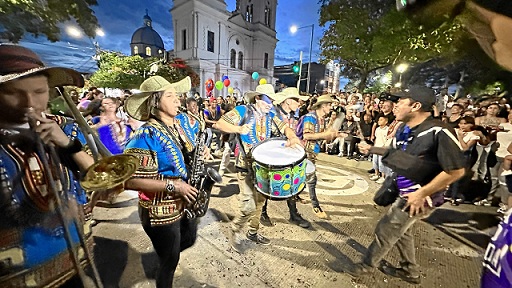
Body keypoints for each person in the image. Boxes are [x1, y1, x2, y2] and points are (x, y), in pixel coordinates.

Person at [0, 44, 96, 287]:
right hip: (18, 272)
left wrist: (66, 144)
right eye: (14, 93)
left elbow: (96, 173)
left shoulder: (66, 126)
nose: (29, 103)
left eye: (39, 91)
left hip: (77, 252)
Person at [352, 85, 465, 284]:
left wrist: (422, 193)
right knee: (402, 232)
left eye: (399, 102)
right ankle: (409, 270)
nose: (393, 106)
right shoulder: (405, 128)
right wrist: (372, 149)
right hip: (405, 190)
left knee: (386, 229)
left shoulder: (440, 131)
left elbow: (456, 171)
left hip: (422, 196)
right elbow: (396, 153)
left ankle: (366, 267)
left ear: (416, 106)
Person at [123, 76, 199, 288]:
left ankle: (165, 251)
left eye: (177, 95)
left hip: (183, 201)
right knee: (169, 262)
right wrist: (174, 186)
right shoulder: (144, 135)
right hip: (159, 209)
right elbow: (129, 181)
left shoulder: (179, 124)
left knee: (189, 239)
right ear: (155, 101)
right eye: (170, 96)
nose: (178, 101)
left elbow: (190, 150)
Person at [213, 84, 302, 252]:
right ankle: (235, 229)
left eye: (272, 100)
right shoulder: (242, 111)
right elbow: (219, 124)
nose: (270, 104)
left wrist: (292, 137)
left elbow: (285, 127)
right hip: (245, 166)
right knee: (248, 206)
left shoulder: (270, 115)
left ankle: (253, 232)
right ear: (258, 98)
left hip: (263, 168)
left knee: (260, 202)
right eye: (267, 100)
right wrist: (238, 128)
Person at [259, 87, 311, 228]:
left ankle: (293, 214)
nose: (300, 103)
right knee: (266, 182)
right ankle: (262, 212)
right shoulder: (272, 114)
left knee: (290, 181)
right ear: (288, 101)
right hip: (270, 155)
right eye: (297, 100)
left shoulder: (293, 116)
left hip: (286, 154)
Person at [300, 94, 346, 219]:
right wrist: (325, 134)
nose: (331, 107)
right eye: (330, 105)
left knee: (301, 176)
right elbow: (307, 136)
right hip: (305, 152)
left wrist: (336, 134)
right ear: (324, 106)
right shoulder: (311, 117)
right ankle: (316, 206)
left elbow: (324, 136)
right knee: (311, 179)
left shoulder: (321, 119)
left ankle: (295, 196)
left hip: (312, 152)